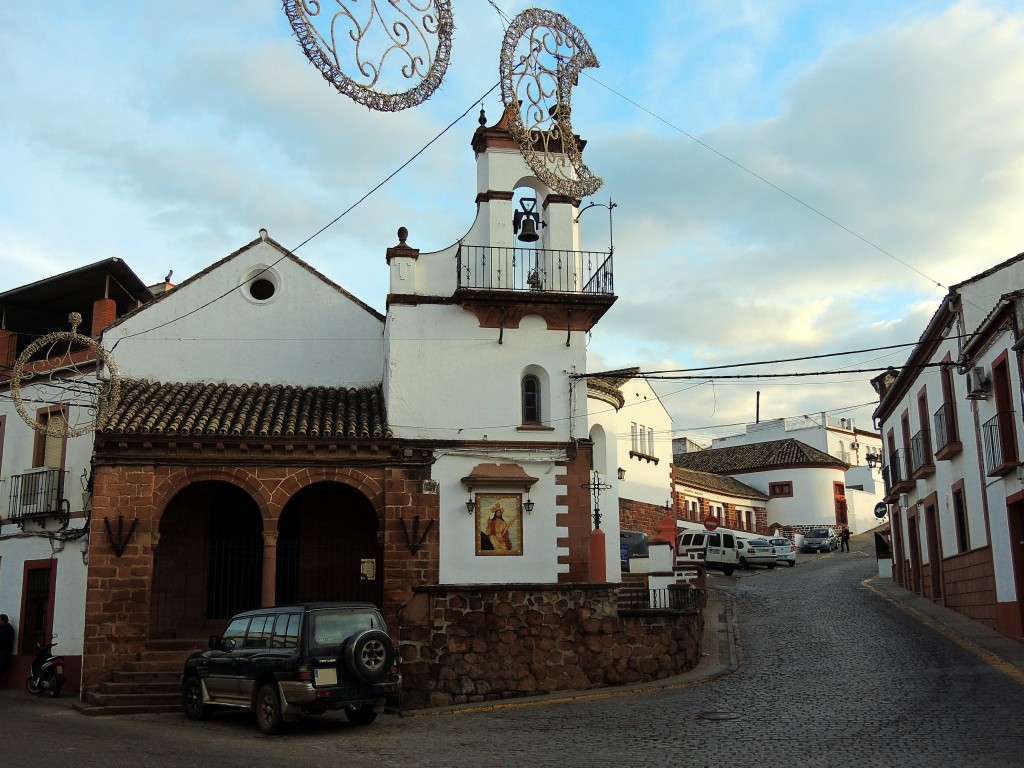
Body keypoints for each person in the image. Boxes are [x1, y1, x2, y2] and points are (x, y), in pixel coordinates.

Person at [0, 614, 15, 685]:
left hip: (4, 651)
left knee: (1, 667)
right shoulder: (1, 628)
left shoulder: (9, 629)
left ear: (3, 620)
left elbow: (4, 640)